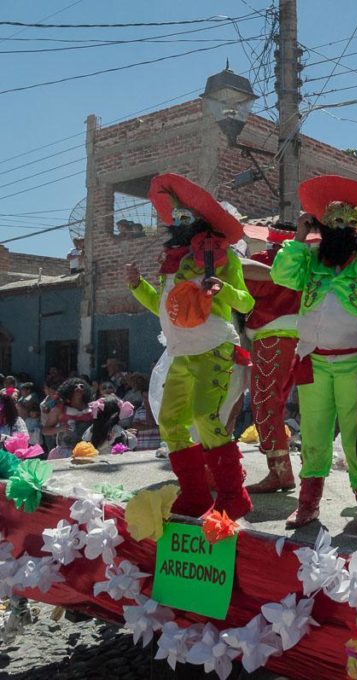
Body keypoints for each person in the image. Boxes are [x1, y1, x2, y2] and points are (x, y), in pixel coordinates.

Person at [270, 176, 357, 529]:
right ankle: (308, 504)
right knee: (312, 434)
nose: (341, 229)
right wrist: (298, 236)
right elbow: (281, 276)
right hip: (313, 361)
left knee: (356, 438)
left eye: (349, 223)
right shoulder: (311, 259)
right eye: (334, 222)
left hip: (356, 365)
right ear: (323, 226)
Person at [125, 173, 255, 519]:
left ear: (202, 223)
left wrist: (221, 290)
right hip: (180, 354)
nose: (180, 222)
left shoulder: (223, 257)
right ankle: (196, 495)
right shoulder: (170, 265)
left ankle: (232, 496)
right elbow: (168, 309)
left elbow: (245, 303)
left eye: (188, 217)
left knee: (205, 417)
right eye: (176, 217)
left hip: (214, 349)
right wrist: (138, 286)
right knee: (168, 421)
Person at [239, 221, 306, 495]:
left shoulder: (264, 261)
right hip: (296, 340)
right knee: (274, 403)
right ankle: (282, 470)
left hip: (272, 337)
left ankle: (280, 473)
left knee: (266, 403)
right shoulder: (304, 264)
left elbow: (244, 283)